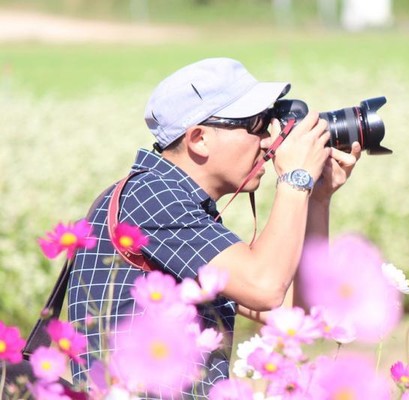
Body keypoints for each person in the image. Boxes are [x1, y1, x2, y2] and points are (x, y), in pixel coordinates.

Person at [67, 57, 361, 398]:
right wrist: (295, 178)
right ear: (199, 139)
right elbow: (265, 286)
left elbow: (294, 314)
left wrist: (317, 199)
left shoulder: (174, 202)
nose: (269, 141)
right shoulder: (152, 195)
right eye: (256, 125)